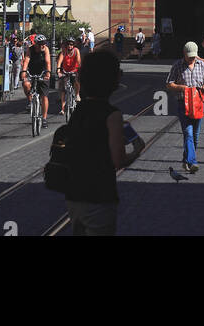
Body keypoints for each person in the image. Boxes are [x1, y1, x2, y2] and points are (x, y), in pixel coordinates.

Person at [63, 49, 144, 236]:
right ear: (112, 80)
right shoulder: (112, 115)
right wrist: (137, 150)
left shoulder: (78, 111)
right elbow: (119, 161)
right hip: (99, 196)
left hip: (74, 196)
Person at [166, 40, 204, 171]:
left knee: (196, 136)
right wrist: (182, 88)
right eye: (189, 56)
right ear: (184, 54)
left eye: (194, 55)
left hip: (198, 104)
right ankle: (192, 162)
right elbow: (169, 84)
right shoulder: (177, 66)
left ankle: (186, 159)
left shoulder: (201, 65)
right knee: (188, 133)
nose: (192, 58)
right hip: (183, 104)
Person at [21, 33, 52, 127]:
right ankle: (31, 101)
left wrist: (48, 73)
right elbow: (26, 60)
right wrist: (23, 71)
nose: (42, 45)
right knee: (25, 84)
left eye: (44, 43)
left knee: (44, 96)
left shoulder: (45, 49)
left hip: (43, 72)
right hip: (32, 71)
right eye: (40, 44)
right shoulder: (30, 49)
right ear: (36, 44)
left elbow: (48, 62)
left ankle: (44, 119)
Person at [57, 36, 82, 113]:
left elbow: (78, 61)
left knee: (76, 80)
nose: (69, 46)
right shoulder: (64, 51)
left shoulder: (76, 51)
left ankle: (77, 94)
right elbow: (60, 61)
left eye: (71, 44)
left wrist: (78, 69)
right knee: (63, 88)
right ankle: (63, 108)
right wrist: (58, 70)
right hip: (65, 71)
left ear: (73, 45)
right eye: (68, 44)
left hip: (74, 70)